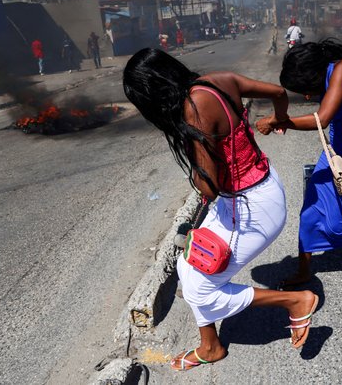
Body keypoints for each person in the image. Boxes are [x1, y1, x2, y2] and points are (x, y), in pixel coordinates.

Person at [122, 48, 319, 370]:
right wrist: (279, 117)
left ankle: (295, 301)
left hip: (250, 206)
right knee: (188, 265)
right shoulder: (216, 81)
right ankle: (210, 345)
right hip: (257, 191)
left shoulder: (192, 111)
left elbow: (209, 186)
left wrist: (191, 148)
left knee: (201, 290)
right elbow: (278, 92)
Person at [256, 39, 342, 289]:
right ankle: (304, 271)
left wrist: (277, 121)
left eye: (305, 88)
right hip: (334, 155)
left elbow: (323, 119)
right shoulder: (328, 76)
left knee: (334, 224)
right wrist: (283, 121)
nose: (306, 95)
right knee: (308, 214)